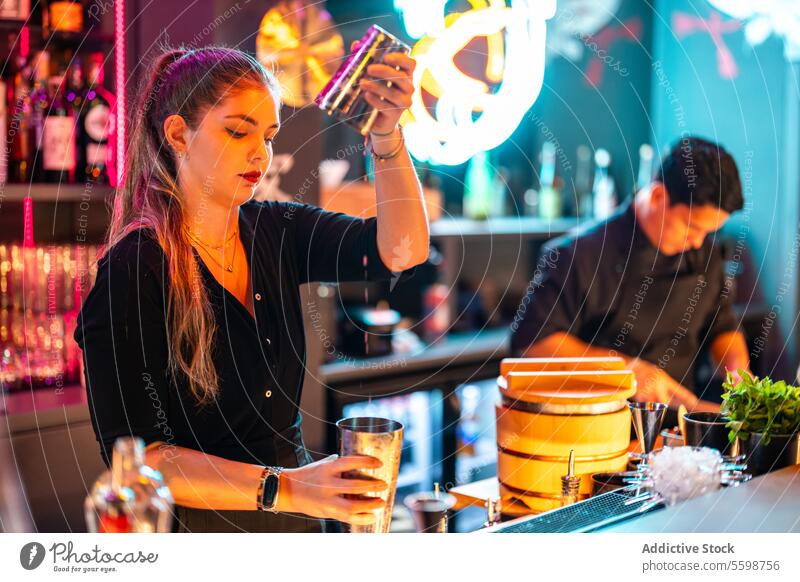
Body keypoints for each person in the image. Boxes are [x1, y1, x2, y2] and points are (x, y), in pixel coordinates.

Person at [74, 45, 429, 532]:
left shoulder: (278, 230)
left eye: (268, 135)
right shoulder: (134, 271)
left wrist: (386, 135)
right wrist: (290, 487)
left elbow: (401, 251)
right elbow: (143, 458)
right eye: (238, 131)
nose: (260, 154)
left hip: (301, 531)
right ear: (178, 133)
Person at [511, 137, 750, 412]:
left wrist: (738, 376)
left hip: (675, 435)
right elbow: (533, 346)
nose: (698, 242)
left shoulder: (704, 254)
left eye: (708, 232)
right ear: (658, 196)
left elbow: (722, 324)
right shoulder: (577, 254)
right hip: (595, 429)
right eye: (691, 227)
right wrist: (626, 369)